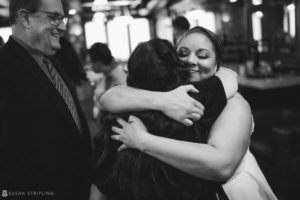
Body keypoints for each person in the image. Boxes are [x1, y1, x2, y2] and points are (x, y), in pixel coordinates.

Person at [100, 27, 278, 200]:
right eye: (183, 54)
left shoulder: (234, 103)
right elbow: (110, 97)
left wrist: (143, 140)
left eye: (203, 55)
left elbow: (221, 166)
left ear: (217, 65)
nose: (191, 60)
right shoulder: (172, 94)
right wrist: (165, 101)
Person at [0, 0, 92, 199]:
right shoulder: (5, 69)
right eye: (53, 18)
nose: (62, 26)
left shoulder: (50, 60)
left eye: (62, 18)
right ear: (25, 18)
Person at [87, 42, 127, 118]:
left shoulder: (120, 77)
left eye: (90, 63)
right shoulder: (105, 74)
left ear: (98, 63)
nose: (89, 66)